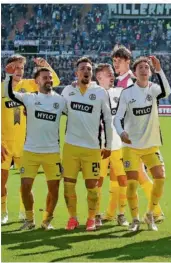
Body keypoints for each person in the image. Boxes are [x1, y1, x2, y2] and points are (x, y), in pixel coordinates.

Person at [4, 65, 66, 230]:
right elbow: (8, 93)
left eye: (50, 77)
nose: (49, 80)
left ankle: (46, 221)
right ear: (37, 81)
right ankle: (30, 220)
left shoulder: (60, 101)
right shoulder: (29, 98)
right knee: (25, 187)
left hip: (52, 152)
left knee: (54, 189)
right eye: (45, 77)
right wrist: (9, 76)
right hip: (30, 151)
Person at [113, 56, 171, 232]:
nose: (144, 70)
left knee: (160, 177)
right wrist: (121, 132)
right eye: (141, 68)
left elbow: (167, 91)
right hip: (131, 146)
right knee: (132, 183)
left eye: (147, 67)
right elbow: (118, 118)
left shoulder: (153, 89)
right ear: (135, 73)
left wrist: (160, 70)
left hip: (151, 145)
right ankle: (135, 219)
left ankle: (150, 214)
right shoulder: (127, 93)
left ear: (150, 72)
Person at [61, 57, 113, 231]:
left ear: (92, 73)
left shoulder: (100, 92)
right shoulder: (68, 91)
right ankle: (72, 218)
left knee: (92, 187)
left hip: (92, 148)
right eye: (83, 68)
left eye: (89, 69)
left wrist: (109, 144)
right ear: (77, 73)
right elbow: (58, 110)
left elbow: (107, 118)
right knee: (68, 185)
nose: (86, 71)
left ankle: (91, 219)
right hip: (70, 147)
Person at [93, 63, 129, 227]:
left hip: (118, 147)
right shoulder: (92, 94)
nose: (112, 76)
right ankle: (96, 215)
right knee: (97, 182)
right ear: (99, 77)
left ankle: (121, 214)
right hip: (99, 148)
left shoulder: (120, 93)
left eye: (112, 73)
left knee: (123, 180)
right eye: (108, 74)